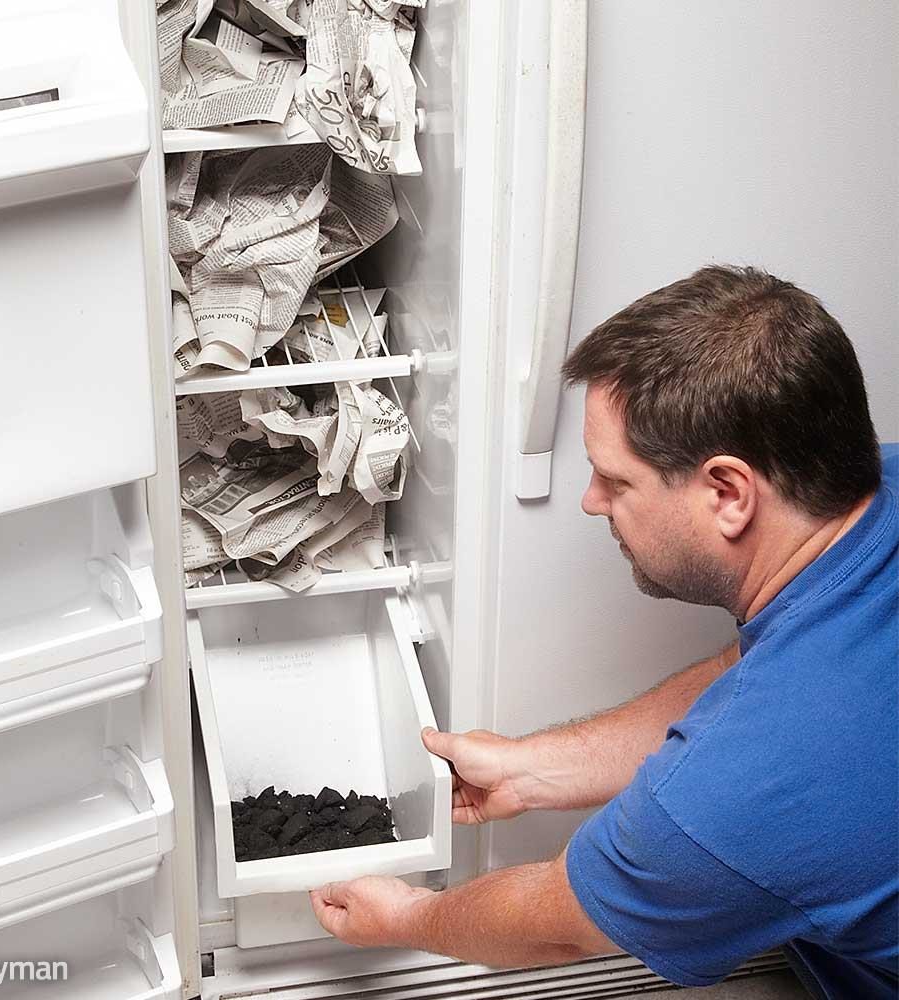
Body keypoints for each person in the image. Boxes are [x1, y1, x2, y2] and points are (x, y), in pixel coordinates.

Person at [309, 266, 899, 999]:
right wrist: (531, 768)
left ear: (728, 493)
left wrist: (406, 916)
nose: (592, 502)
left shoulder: (744, 789)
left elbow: (558, 924)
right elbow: (754, 673)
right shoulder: (872, 490)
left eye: (616, 481)